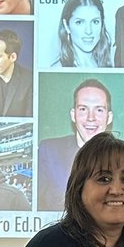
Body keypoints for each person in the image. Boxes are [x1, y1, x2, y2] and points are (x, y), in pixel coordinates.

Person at [36, 78, 114, 211]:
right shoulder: (48, 152)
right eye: (83, 109)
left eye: (99, 110)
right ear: (73, 115)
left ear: (109, 117)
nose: (91, 117)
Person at [55, 0, 113, 68]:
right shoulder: (57, 69)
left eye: (95, 22)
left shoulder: (109, 68)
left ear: (102, 23)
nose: (89, 31)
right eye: (79, 22)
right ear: (66, 25)